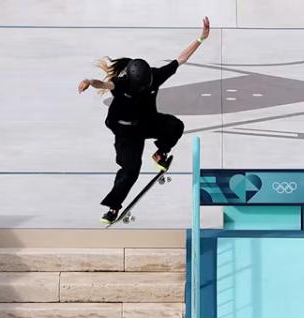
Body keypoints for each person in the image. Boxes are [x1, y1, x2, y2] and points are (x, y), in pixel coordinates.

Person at [79, 17, 211, 224]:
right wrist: (89, 82)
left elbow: (180, 59)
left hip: (146, 122)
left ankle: (160, 154)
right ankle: (113, 208)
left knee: (175, 126)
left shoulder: (154, 76)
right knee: (130, 171)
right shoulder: (121, 83)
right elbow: (104, 85)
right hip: (126, 132)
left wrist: (201, 38)